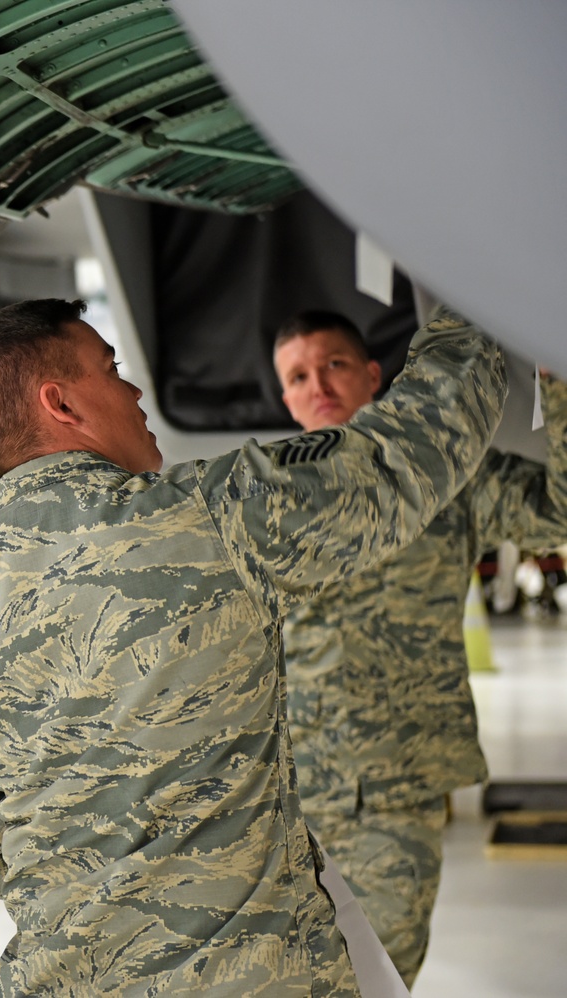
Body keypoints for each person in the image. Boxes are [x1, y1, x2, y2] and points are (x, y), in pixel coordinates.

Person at [0, 297, 506, 996]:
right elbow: (403, 459)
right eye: (111, 369)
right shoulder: (212, 515)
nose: (131, 390)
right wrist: (469, 302)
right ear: (60, 403)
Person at [272, 308, 567, 986]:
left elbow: (559, 512)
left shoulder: (443, 476)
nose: (317, 384)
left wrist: (557, 386)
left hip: (396, 786)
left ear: (373, 374)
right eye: (298, 376)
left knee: (384, 972)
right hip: (290, 793)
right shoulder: (268, 494)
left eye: (334, 364)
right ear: (284, 397)